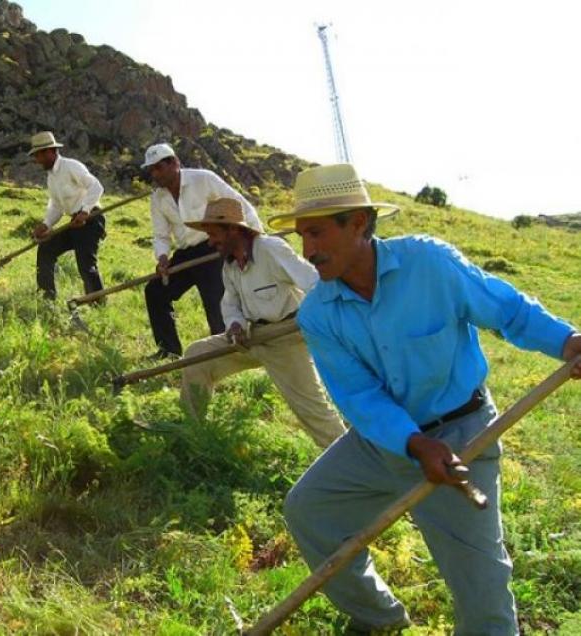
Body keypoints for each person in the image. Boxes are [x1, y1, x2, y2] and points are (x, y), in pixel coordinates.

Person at [268, 163, 581, 635]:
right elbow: (359, 396)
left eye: (315, 234)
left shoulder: (429, 265)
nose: (307, 252)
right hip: (384, 442)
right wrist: (414, 445)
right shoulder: (318, 313)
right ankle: (379, 616)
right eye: (301, 237)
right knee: (310, 510)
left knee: (481, 583)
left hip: (463, 434)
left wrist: (567, 342)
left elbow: (507, 310)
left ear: (357, 224)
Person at [179, 198, 345, 448]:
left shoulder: (270, 249)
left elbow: (313, 282)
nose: (211, 242)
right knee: (197, 356)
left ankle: (352, 459)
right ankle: (191, 436)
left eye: (214, 234)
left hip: (286, 337)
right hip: (250, 336)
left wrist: (316, 316)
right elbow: (231, 303)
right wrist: (235, 325)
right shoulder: (230, 265)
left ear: (234, 229)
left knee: (312, 410)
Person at [142, 143, 264, 358]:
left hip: (213, 248)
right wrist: (162, 258)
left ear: (175, 163)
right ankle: (168, 350)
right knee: (155, 291)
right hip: (185, 253)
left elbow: (240, 205)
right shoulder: (157, 198)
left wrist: (256, 238)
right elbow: (161, 235)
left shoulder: (204, 179)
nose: (155, 174)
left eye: (158, 168)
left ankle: (226, 352)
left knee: (216, 301)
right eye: (151, 170)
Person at [29, 131, 105, 300]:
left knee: (86, 265)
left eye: (38, 155)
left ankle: (98, 303)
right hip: (74, 222)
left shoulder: (71, 166)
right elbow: (57, 206)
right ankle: (47, 298)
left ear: (49, 151)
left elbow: (96, 187)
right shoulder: (51, 178)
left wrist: (85, 211)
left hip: (91, 219)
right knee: (46, 249)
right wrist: (46, 224)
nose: (37, 160)